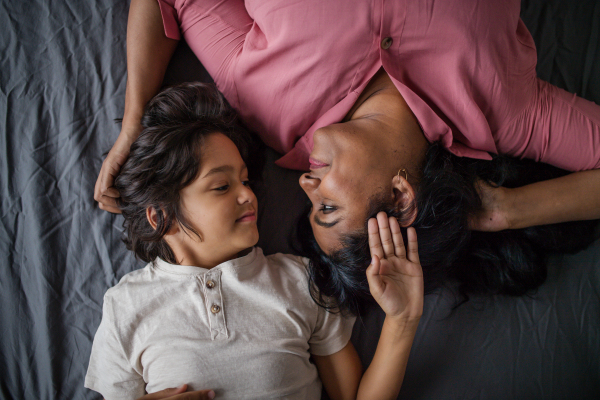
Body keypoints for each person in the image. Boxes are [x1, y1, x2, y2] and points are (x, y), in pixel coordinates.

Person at [85, 82, 424, 400]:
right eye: (222, 186)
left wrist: (403, 320)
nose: (247, 194)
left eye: (245, 180)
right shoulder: (125, 306)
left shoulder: (300, 281)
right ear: (161, 218)